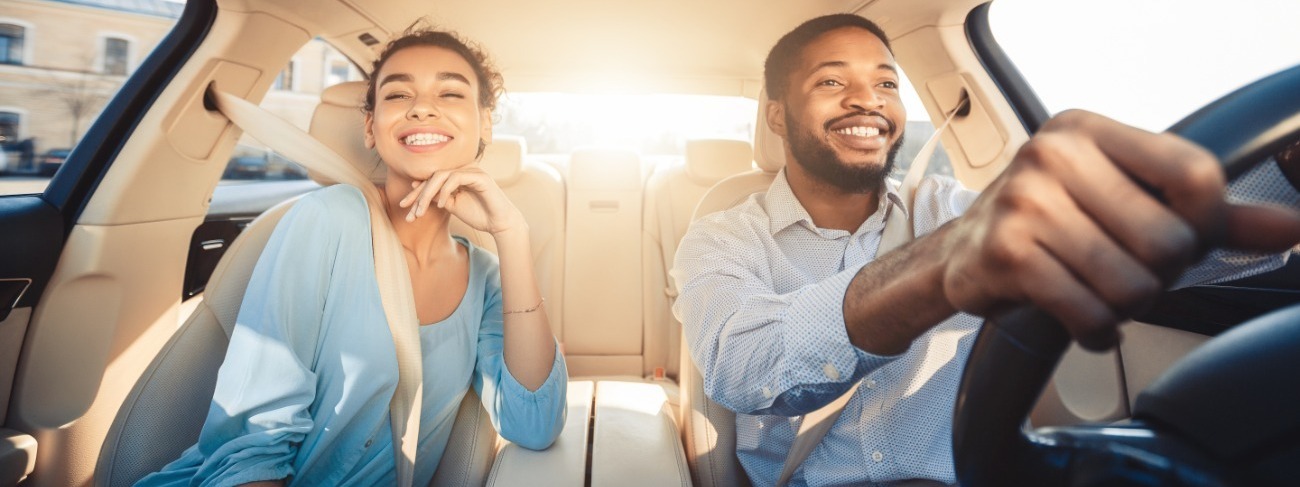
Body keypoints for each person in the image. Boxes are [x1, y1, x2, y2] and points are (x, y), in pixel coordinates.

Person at [672, 14, 1300, 487]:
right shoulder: (721, 237)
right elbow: (744, 366)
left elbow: (1138, 241)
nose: (867, 100)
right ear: (778, 117)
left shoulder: (951, 207)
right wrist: (937, 268)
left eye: (886, 83)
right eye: (832, 81)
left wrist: (1284, 171)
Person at [138, 25, 567, 486]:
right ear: (370, 127)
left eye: (451, 93)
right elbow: (252, 448)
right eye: (399, 95)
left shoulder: (485, 277)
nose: (423, 106)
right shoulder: (326, 219)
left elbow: (534, 426)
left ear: (484, 124)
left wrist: (512, 234)